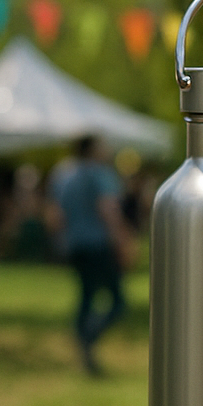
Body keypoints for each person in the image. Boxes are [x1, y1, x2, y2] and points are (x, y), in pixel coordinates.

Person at [48, 135, 134, 375]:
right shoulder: (100, 173)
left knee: (86, 296)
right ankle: (88, 339)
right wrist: (123, 242)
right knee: (117, 301)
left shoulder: (62, 174)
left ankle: (84, 349)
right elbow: (108, 210)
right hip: (99, 245)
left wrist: (60, 243)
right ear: (92, 149)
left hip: (74, 245)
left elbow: (56, 214)